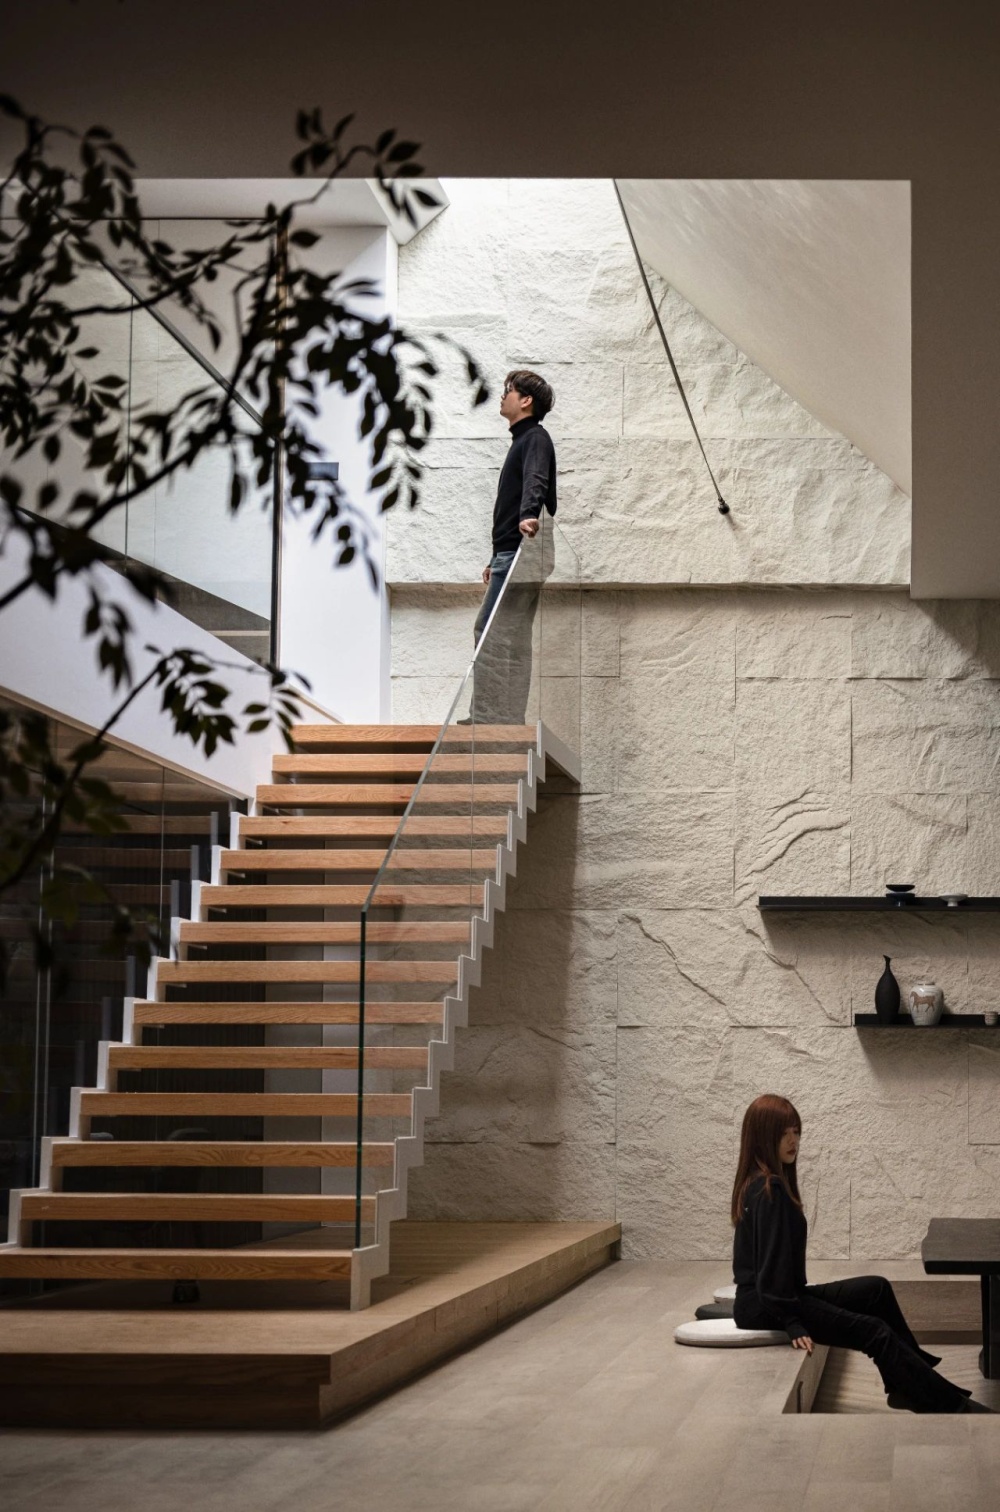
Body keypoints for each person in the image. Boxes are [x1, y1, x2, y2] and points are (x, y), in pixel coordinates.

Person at [731, 1093, 994, 1413]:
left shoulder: (761, 1183)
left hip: (780, 1296)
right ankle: (951, 1405)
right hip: (769, 1305)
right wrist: (793, 1322)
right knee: (874, 1332)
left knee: (875, 1288)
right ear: (762, 1136)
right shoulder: (769, 1190)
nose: (793, 1141)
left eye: (796, 1132)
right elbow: (770, 1276)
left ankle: (910, 1380)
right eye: (783, 1133)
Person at [467, 369, 556, 725]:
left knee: (488, 631)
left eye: (509, 390)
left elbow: (536, 479)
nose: (503, 396)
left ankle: (487, 718)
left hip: (521, 552)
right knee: (513, 638)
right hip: (512, 553)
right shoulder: (524, 440)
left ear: (526, 400)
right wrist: (495, 558)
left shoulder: (535, 437)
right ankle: (507, 718)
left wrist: (529, 515)